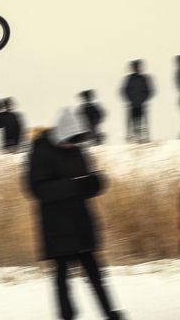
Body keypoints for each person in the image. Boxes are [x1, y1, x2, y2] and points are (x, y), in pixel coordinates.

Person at [27, 108, 124, 320]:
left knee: (96, 274)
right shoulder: (41, 151)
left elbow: (85, 182)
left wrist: (96, 183)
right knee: (62, 277)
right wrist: (75, 185)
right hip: (57, 226)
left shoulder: (78, 151)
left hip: (80, 223)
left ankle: (110, 314)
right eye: (70, 139)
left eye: (76, 139)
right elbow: (36, 189)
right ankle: (67, 316)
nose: (72, 144)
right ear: (61, 135)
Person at [121, 60, 153, 143]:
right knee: (133, 122)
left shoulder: (144, 78)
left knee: (142, 122)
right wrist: (131, 99)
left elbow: (149, 91)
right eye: (135, 67)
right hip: (133, 104)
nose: (136, 68)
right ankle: (134, 138)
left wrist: (142, 99)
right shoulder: (129, 79)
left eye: (137, 67)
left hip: (141, 104)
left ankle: (143, 137)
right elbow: (124, 91)